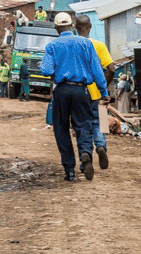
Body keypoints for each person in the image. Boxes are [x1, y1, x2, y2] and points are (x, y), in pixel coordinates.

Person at [40, 12, 107, 182]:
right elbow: (97, 71)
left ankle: (69, 170)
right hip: (81, 91)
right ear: (72, 26)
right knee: (83, 125)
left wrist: (58, 68)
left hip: (61, 90)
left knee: (61, 128)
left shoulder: (52, 46)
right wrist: (104, 92)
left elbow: (46, 70)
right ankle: (85, 154)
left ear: (57, 28)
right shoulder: (86, 43)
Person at [75, 14, 114, 170]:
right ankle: (101, 146)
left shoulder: (74, 45)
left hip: (79, 93)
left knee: (82, 125)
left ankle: (85, 154)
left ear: (76, 28)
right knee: (99, 123)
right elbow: (111, 68)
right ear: (90, 27)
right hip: (98, 93)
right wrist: (103, 86)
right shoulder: (99, 45)